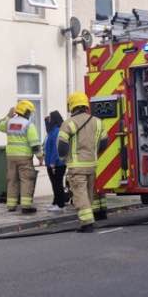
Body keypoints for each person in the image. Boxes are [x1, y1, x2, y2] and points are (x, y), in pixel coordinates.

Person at [58, 92, 106, 233]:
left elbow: (62, 145)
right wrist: (95, 153)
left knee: (80, 194)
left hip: (76, 166)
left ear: (72, 106)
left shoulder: (68, 123)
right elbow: (104, 142)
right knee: (88, 193)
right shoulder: (97, 121)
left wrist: (62, 158)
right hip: (91, 164)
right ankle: (89, 218)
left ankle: (86, 223)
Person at [0, 100, 43, 214]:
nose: (31, 115)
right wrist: (40, 157)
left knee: (12, 180)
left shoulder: (9, 123)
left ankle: (11, 205)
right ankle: (26, 206)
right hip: (24, 158)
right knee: (26, 180)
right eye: (30, 112)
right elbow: (35, 144)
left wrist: (8, 115)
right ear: (26, 112)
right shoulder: (28, 125)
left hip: (11, 157)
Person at [44, 110, 67, 212]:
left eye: (50, 117)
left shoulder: (57, 131)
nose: (49, 119)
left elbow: (56, 148)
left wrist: (53, 162)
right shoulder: (52, 131)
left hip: (57, 164)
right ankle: (56, 202)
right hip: (52, 163)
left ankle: (60, 205)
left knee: (57, 184)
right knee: (55, 184)